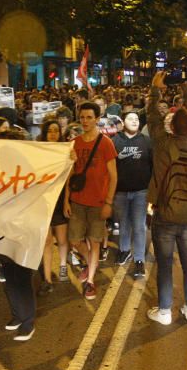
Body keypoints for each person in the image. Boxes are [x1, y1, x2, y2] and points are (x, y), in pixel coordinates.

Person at [146, 73, 187, 325]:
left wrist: (155, 88)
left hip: (166, 214)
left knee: (165, 264)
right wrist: (186, 87)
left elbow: (151, 117)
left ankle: (164, 311)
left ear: (171, 126)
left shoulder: (162, 144)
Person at [65, 102, 117, 301]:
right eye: (82, 117)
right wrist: (66, 201)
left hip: (98, 202)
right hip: (77, 201)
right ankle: (90, 263)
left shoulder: (106, 144)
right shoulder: (75, 143)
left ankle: (90, 281)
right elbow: (70, 174)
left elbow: (114, 176)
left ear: (97, 119)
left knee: (95, 242)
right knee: (75, 240)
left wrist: (108, 203)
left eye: (89, 117)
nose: (85, 121)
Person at [0, 127, 40, 341]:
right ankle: (17, 315)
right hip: (2, 228)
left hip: (23, 228)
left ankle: (28, 321)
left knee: (21, 274)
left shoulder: (29, 168)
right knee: (8, 275)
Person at [112, 110, 152, 279]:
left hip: (140, 192)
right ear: (123, 121)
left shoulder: (146, 142)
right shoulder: (115, 141)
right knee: (124, 224)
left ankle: (139, 260)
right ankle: (124, 250)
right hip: (120, 191)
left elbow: (153, 166)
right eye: (131, 118)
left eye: (137, 119)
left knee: (139, 226)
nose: (135, 121)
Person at [37, 119, 70, 292]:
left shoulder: (66, 151)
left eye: (56, 130)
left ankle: (63, 265)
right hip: (43, 202)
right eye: (49, 130)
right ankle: (47, 279)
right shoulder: (37, 151)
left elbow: (69, 180)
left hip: (59, 201)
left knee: (62, 239)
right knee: (47, 241)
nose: (53, 134)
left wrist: (66, 202)